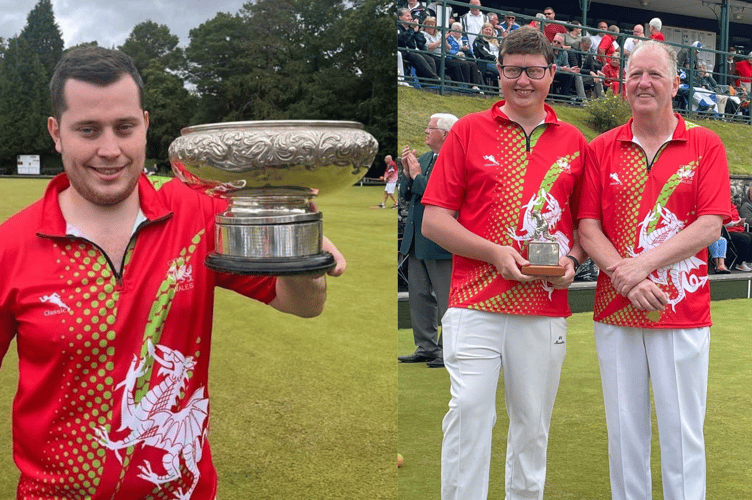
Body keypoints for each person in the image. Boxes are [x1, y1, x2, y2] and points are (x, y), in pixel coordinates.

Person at [0, 46, 347, 499]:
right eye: (88, 130)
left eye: (124, 127)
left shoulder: (200, 215)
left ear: (145, 124)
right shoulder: (11, 245)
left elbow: (304, 306)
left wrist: (299, 255)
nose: (110, 149)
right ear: (56, 133)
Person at [421, 28, 588, 499]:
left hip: (543, 304)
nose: (523, 80)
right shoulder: (469, 131)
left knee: (532, 425)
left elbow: (585, 225)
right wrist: (494, 252)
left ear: (552, 74)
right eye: (513, 69)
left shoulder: (575, 141)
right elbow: (434, 222)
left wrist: (573, 259)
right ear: (499, 73)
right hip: (475, 300)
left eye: (534, 71)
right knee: (470, 410)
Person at [579, 40, 730, 500]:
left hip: (681, 310)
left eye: (655, 74)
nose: (644, 82)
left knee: (683, 434)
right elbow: (587, 227)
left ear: (676, 84)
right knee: (625, 434)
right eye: (635, 75)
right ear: (623, 85)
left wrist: (638, 267)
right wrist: (626, 277)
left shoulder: (705, 143)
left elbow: (709, 225)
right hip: (615, 311)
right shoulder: (601, 147)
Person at [398, 113, 458, 369]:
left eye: (430, 128)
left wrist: (417, 175)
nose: (425, 131)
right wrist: (406, 173)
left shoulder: (454, 160)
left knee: (446, 298)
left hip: (440, 241)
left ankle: (448, 350)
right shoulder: (423, 159)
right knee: (419, 295)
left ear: (444, 133)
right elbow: (406, 193)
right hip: (416, 239)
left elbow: (437, 195)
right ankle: (426, 346)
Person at [422, 16, 470, 86]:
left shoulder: (438, 34)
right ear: (424, 25)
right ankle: (440, 84)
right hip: (432, 55)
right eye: (428, 24)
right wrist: (441, 40)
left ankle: (462, 86)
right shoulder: (423, 34)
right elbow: (429, 48)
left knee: (457, 64)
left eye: (432, 25)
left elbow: (447, 49)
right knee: (440, 61)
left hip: (442, 55)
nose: (430, 27)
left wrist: (444, 40)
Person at [398, 7, 441, 84]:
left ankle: (428, 84)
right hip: (404, 51)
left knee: (430, 59)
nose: (410, 18)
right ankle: (434, 79)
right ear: (400, 17)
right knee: (417, 57)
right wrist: (411, 29)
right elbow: (403, 40)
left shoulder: (411, 28)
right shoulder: (399, 28)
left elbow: (422, 42)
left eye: (410, 16)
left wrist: (416, 31)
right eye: (407, 16)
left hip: (414, 51)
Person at [552, 33, 580, 100]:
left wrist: (569, 69)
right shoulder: (548, 50)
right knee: (550, 72)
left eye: (558, 43)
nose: (555, 44)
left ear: (562, 44)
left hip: (559, 71)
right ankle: (550, 97)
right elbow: (549, 65)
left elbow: (566, 64)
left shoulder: (564, 52)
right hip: (550, 70)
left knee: (570, 75)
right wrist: (561, 68)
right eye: (554, 41)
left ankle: (562, 98)